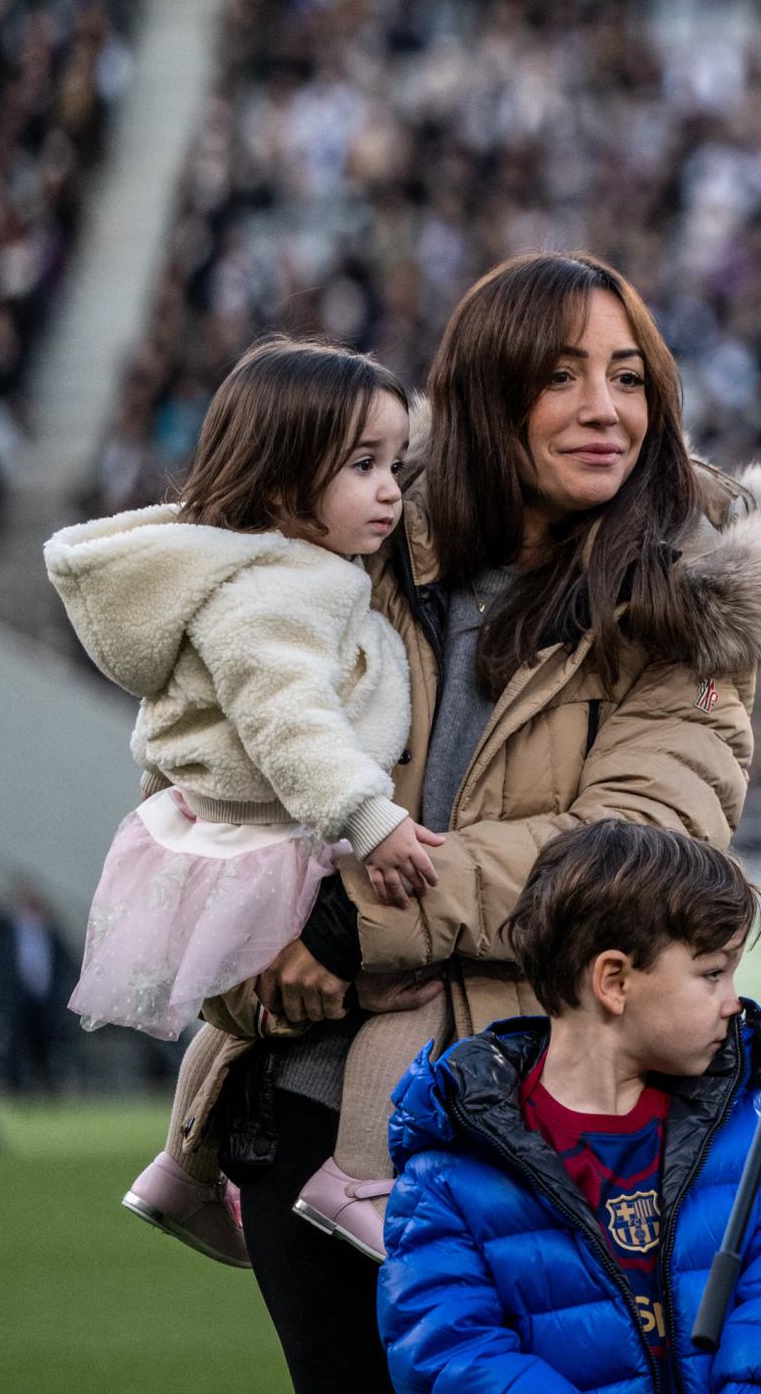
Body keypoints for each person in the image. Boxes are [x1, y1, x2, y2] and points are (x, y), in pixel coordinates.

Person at [166, 252, 761, 1394]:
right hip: (308, 1100)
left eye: (629, 377)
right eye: (561, 374)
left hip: (537, 1127)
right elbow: (206, 784)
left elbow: (633, 856)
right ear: (484, 393)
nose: (604, 408)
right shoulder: (351, 544)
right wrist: (257, 954)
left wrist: (346, 928)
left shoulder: (690, 597)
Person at [45, 338, 444, 1266]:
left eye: (395, 465)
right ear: (278, 488)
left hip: (237, 836)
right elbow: (289, 719)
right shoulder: (274, 590)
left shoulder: (271, 573)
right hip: (279, 837)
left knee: (240, 1023)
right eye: (362, 467)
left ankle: (183, 1167)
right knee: (409, 994)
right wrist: (370, 816)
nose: (391, 490)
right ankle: (356, 1177)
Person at [378, 818, 761, 1394]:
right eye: (712, 973)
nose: (734, 1001)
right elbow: (452, 1356)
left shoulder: (752, 1132)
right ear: (614, 980)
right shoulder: (451, 1168)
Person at [0, 880, 77, 1094]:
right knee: (17, 1043)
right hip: (19, 998)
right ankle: (15, 1088)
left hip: (45, 998)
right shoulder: (8, 929)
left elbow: (62, 963)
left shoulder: (50, 931)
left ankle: (48, 1085)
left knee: (46, 1044)